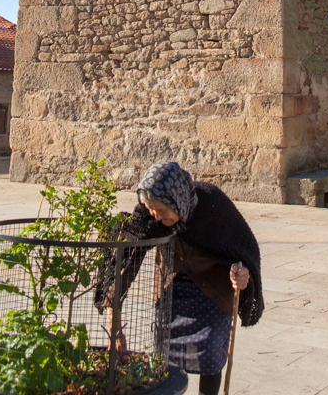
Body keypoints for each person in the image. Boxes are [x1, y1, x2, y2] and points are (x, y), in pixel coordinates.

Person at [98, 161, 264, 395]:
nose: (155, 217)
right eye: (150, 209)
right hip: (170, 292)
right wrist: (114, 324)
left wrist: (242, 273)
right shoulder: (149, 215)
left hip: (213, 294)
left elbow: (244, 249)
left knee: (210, 359)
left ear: (177, 201)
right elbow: (126, 264)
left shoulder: (211, 203)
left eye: (161, 210)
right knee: (163, 361)